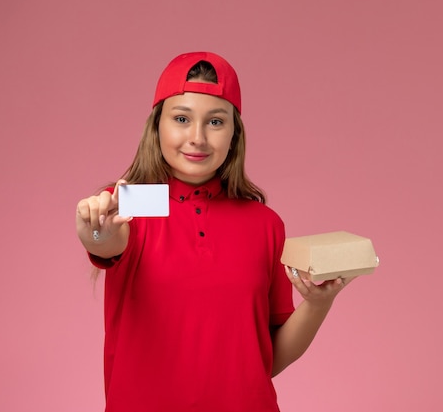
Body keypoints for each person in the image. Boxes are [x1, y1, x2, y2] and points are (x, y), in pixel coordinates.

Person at [75, 52, 353, 412]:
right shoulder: (130, 204)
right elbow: (107, 240)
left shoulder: (264, 224)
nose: (197, 137)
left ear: (234, 132)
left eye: (216, 122)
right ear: (157, 125)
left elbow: (267, 359)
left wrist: (318, 303)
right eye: (181, 119)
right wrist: (93, 232)